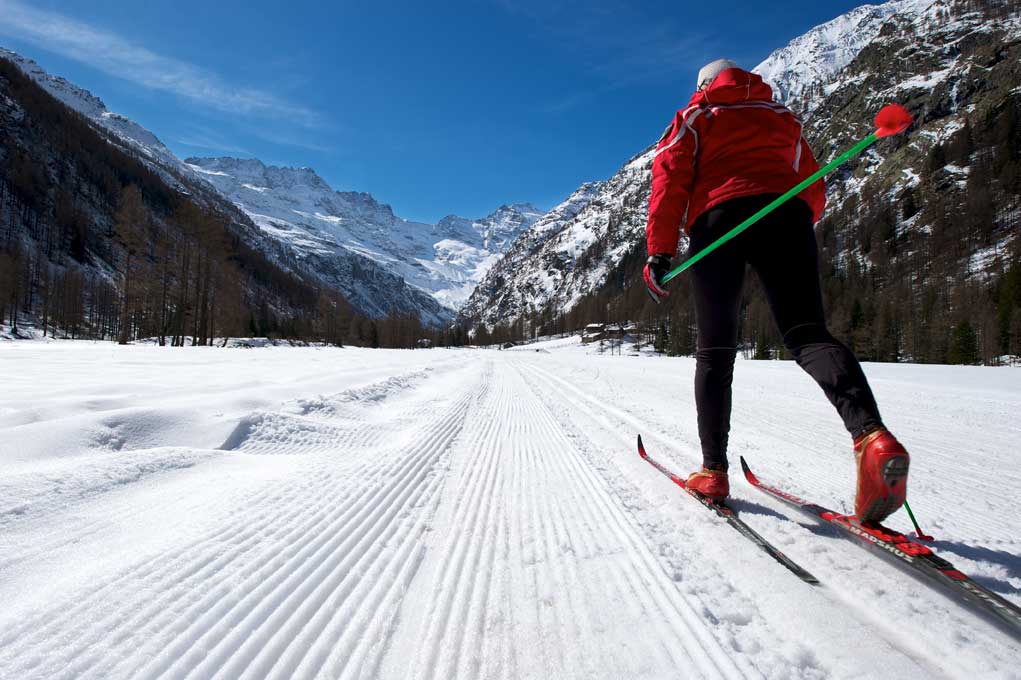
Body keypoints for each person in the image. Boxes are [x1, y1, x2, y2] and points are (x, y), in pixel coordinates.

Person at [642, 59, 910, 524]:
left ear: (704, 86)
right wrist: (796, 229)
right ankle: (871, 435)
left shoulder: (695, 117)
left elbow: (669, 178)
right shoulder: (782, 118)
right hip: (787, 217)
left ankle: (713, 470)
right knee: (808, 334)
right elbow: (813, 184)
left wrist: (660, 253)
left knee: (716, 351)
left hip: (717, 222)